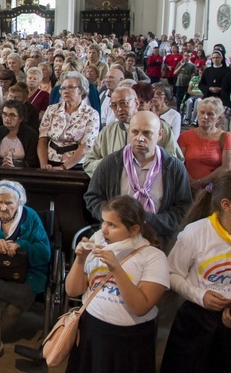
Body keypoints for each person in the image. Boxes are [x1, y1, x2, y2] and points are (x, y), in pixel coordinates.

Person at [64, 196, 169, 373]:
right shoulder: (97, 242)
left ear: (134, 229)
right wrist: (80, 260)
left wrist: (116, 269)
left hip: (130, 340)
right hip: (92, 330)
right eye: (103, 222)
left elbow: (140, 307)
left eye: (112, 225)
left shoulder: (153, 257)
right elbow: (72, 290)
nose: (104, 230)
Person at [0, 180, 51, 368]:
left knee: (15, 310)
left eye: (9, 203)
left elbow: (44, 253)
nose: (3, 207)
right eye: (0, 202)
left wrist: (22, 246)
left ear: (19, 203)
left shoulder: (31, 217)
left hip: (26, 272)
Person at [84, 111, 193, 244]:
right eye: (135, 132)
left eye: (147, 133)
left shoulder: (174, 168)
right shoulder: (111, 163)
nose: (140, 138)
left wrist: (151, 221)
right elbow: (92, 198)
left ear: (160, 134)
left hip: (158, 239)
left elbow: (184, 208)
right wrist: (115, 219)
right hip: (116, 239)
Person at [160, 172, 231, 373]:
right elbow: (171, 274)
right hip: (196, 323)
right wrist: (201, 295)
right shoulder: (196, 233)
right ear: (226, 205)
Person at [83, 87, 183, 177]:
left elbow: (175, 162)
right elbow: (89, 162)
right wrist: (111, 165)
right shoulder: (108, 132)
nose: (119, 109)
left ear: (136, 103)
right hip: (116, 189)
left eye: (123, 103)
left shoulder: (159, 127)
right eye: (114, 105)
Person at [38, 71, 99, 171]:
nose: (66, 91)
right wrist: (44, 164)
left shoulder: (91, 114)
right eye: (63, 88)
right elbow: (42, 139)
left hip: (77, 164)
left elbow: (85, 146)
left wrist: (63, 167)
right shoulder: (51, 109)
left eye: (71, 87)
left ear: (82, 90)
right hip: (50, 161)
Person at [178, 97, 231, 192]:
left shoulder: (226, 137)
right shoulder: (185, 136)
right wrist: (191, 182)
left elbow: (226, 167)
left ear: (218, 118)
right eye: (202, 112)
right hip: (187, 188)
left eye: (210, 114)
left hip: (214, 190)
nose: (205, 117)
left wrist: (200, 182)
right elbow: (179, 163)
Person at [0, 99, 40, 168]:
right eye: (4, 114)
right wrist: (4, 162)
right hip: (0, 170)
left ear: (20, 118)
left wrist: (14, 164)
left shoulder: (31, 134)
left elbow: (32, 161)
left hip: (23, 173)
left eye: (12, 115)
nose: (7, 118)